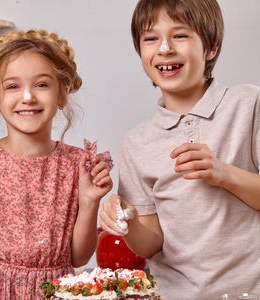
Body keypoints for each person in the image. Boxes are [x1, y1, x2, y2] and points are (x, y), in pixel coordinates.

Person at [99, 0, 260, 299]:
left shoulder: (248, 104)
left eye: (180, 35)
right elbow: (151, 243)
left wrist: (223, 173)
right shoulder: (137, 142)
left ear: (211, 47)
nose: (164, 48)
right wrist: (130, 222)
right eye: (150, 38)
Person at [0, 29, 113, 299]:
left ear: (62, 93)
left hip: (57, 291)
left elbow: (79, 257)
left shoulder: (77, 164)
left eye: (42, 84)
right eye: (13, 86)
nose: (28, 97)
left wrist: (90, 203)